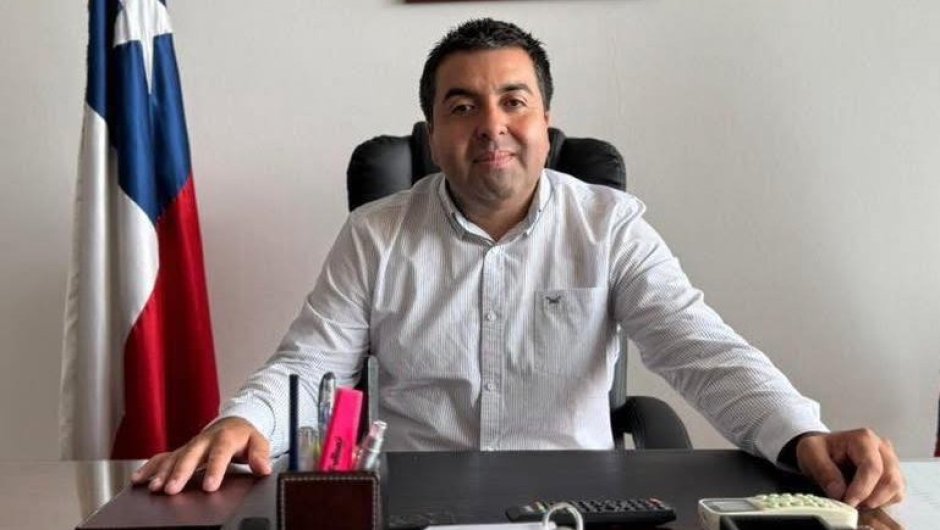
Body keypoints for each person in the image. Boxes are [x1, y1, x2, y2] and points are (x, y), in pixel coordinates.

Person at [133, 18, 905, 508]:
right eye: (462, 106)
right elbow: (309, 362)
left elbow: (702, 350)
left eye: (513, 100)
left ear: (545, 119)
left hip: (579, 507)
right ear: (431, 134)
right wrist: (242, 422)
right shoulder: (376, 234)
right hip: (417, 506)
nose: (491, 126)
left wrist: (803, 436)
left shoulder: (609, 225)